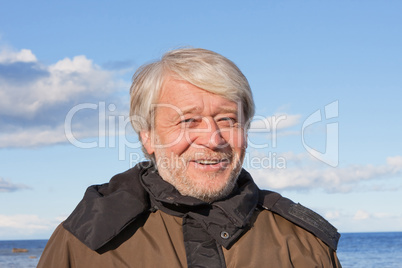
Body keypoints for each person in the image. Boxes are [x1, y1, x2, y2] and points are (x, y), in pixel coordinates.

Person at [38, 48, 342, 268]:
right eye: (188, 121)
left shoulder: (302, 243)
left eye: (227, 120)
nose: (213, 139)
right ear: (148, 135)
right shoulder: (86, 241)